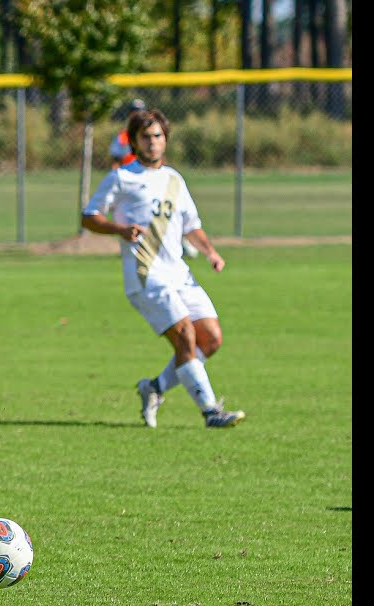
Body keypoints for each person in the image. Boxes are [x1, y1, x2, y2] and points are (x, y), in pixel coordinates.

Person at [80, 107, 246, 430]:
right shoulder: (123, 178)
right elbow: (89, 216)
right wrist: (119, 229)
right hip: (146, 276)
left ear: (165, 139)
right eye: (146, 137)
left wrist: (211, 252)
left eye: (157, 136)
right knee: (185, 334)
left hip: (178, 273)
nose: (153, 142)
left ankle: (153, 388)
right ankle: (211, 411)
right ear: (134, 142)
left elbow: (191, 226)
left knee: (210, 338)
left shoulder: (174, 180)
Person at [110, 99, 198, 258]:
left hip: (150, 176)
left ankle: (178, 242)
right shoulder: (123, 137)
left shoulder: (152, 132)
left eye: (139, 111)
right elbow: (115, 159)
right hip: (131, 178)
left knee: (165, 210)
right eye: (133, 111)